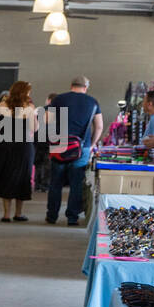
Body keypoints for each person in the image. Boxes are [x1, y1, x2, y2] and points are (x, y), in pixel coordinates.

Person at [44, 75, 103, 226]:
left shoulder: (59, 99)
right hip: (81, 147)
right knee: (76, 184)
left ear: (71, 85)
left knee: (56, 183)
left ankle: (51, 216)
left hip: (59, 145)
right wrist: (92, 144)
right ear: (86, 87)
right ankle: (72, 217)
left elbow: (46, 120)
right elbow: (99, 126)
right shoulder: (93, 102)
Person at [0, 80, 37, 222]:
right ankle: (18, 213)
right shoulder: (30, 107)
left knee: (6, 177)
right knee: (22, 178)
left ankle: (6, 214)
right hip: (23, 147)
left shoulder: (1, 106)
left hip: (4, 146)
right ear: (25, 92)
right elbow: (34, 128)